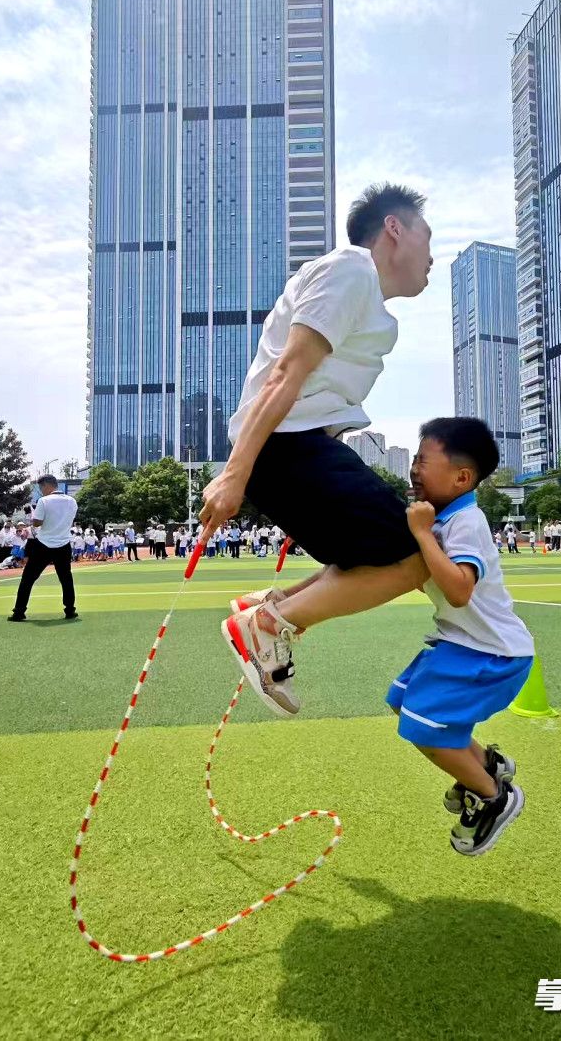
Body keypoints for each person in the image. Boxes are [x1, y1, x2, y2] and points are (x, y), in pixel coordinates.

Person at [198, 183, 433, 713]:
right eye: (427, 235)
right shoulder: (351, 270)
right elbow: (287, 372)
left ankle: (271, 606)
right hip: (285, 447)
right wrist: (235, 473)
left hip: (301, 449)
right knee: (415, 556)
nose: (432, 256)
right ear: (394, 228)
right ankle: (265, 624)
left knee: (371, 556)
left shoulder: (370, 302)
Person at [384, 418, 533, 856]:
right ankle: (487, 763)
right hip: (460, 643)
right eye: (413, 460)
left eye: (422, 462)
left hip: (490, 652)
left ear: (462, 478)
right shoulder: (444, 518)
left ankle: (492, 796)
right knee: (402, 701)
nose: (413, 470)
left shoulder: (466, 521)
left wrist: (421, 533)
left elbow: (459, 590)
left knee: (423, 727)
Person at [8, 475, 78, 622]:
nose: (41, 491)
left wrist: (33, 516)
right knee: (66, 578)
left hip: (44, 544)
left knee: (28, 578)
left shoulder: (44, 501)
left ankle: (19, 612)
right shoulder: (72, 501)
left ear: (46, 485)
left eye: (41, 487)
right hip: (63, 543)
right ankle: (70, 610)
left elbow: (37, 523)